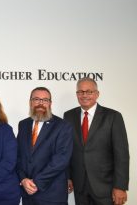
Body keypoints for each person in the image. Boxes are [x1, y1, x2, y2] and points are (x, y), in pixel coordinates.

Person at [64, 77, 129, 205]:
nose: (84, 95)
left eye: (89, 91)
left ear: (97, 94)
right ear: (77, 94)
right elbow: (67, 149)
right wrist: (68, 176)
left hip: (105, 187)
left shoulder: (113, 117)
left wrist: (120, 187)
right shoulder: (68, 116)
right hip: (79, 185)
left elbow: (122, 155)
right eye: (80, 92)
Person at [17, 87, 73, 205]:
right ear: (30, 102)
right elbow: (18, 156)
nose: (40, 103)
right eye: (36, 99)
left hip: (52, 194)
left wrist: (36, 182)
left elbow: (61, 159)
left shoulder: (63, 126)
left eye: (45, 100)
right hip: (27, 193)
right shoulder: (23, 124)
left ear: (50, 103)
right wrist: (23, 179)